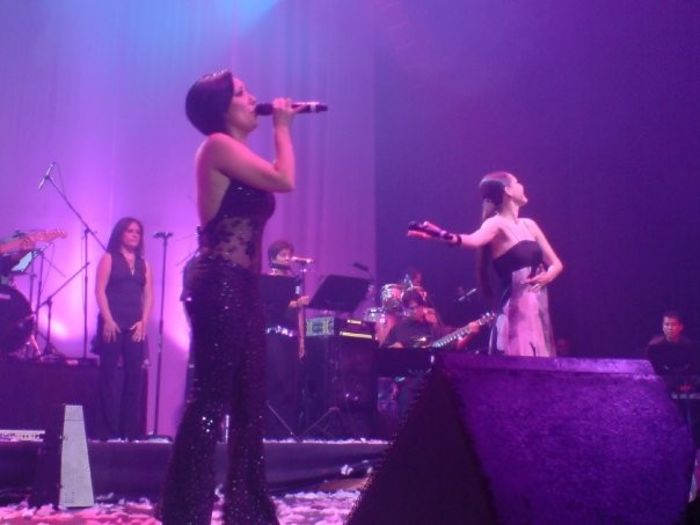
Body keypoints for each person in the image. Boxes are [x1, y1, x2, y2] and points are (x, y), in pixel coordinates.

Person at [161, 70, 298, 525]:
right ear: (222, 108)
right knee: (211, 399)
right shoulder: (216, 146)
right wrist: (282, 128)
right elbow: (284, 178)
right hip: (218, 281)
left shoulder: (237, 152)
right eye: (241, 92)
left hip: (243, 284)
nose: (253, 97)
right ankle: (185, 511)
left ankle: (247, 509)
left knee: (250, 399)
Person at [409, 171, 563, 357]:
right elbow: (472, 240)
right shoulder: (495, 224)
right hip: (515, 317)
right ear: (508, 190)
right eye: (517, 182)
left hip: (536, 314)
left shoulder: (529, 224)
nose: (522, 185)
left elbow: (556, 264)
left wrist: (547, 276)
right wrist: (440, 235)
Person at [94, 217, 152, 440]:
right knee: (108, 377)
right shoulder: (109, 258)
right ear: (121, 234)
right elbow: (100, 290)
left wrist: (144, 322)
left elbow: (148, 296)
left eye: (138, 231)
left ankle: (129, 432)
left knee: (134, 378)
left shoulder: (144, 264)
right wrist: (108, 320)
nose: (135, 235)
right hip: (112, 324)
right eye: (130, 231)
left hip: (135, 327)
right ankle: (107, 431)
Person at [264, 240, 309, 438]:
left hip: (292, 337)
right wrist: (294, 304)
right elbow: (270, 307)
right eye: (283, 254)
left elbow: (298, 313)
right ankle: (273, 431)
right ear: (273, 257)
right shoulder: (268, 281)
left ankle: (288, 431)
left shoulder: (294, 281)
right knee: (278, 380)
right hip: (274, 335)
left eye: (289, 254)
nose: (287, 258)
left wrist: (302, 340)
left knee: (292, 384)